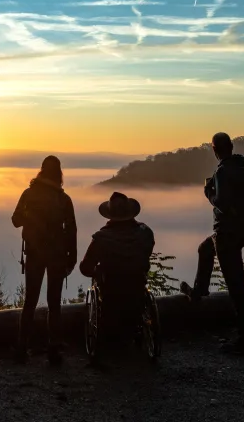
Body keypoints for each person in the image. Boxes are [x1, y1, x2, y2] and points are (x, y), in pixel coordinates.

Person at [180, 132, 244, 355]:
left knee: (236, 287)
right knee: (205, 249)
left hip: (227, 233)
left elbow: (221, 202)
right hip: (242, 231)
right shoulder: (243, 167)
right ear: (231, 146)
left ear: (214, 150)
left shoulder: (224, 171)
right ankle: (199, 292)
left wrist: (209, 193)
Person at [11, 155, 77, 365]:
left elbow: (15, 220)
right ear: (59, 173)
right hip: (57, 255)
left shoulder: (28, 194)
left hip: (34, 253)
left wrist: (31, 217)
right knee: (54, 303)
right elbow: (72, 230)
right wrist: (72, 257)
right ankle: (54, 350)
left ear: (41, 171)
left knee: (30, 301)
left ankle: (22, 347)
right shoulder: (63, 199)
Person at [79, 192, 155, 360]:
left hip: (111, 290)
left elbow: (85, 268)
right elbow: (147, 254)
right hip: (137, 286)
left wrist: (97, 271)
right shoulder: (145, 233)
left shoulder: (100, 238)